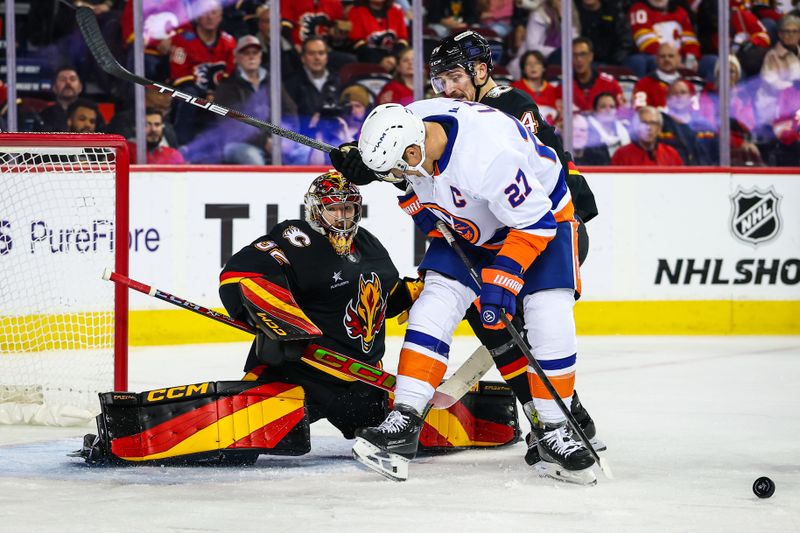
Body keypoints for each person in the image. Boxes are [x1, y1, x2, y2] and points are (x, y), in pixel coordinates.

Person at [333, 30, 603, 472]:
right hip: (476, 224)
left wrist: (503, 279)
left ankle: (558, 425)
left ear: (480, 71)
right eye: (439, 80)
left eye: (455, 75)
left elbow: (534, 222)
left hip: (543, 222)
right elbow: (414, 189)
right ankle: (405, 418)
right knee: (434, 305)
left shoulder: (491, 148)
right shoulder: (413, 123)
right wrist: (368, 164)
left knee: (547, 318)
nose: (447, 87)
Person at [214, 35, 300, 165]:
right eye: (246, 53)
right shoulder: (227, 86)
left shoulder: (272, 81)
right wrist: (265, 141)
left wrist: (288, 138)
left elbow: (290, 110)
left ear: (260, 55)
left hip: (275, 140)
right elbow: (233, 125)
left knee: (305, 154)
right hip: (238, 143)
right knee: (254, 160)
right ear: (236, 57)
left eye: (255, 52)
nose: (251, 57)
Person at [168, 0, 236, 147]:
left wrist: (216, 94)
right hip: (191, 93)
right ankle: (182, 146)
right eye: (205, 12)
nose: (210, 17)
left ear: (221, 15)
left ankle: (229, 146)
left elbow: (230, 75)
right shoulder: (182, 40)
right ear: (197, 15)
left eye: (214, 12)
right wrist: (205, 95)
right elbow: (179, 76)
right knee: (188, 95)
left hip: (219, 94)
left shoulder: (229, 43)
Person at [611, 105, 684, 165]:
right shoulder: (621, 155)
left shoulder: (671, 154)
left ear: (659, 128)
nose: (648, 128)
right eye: (644, 123)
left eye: (653, 123)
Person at [572, 37, 626, 112]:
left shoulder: (609, 83)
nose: (579, 59)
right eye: (574, 55)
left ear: (591, 56)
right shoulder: (564, 87)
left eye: (583, 54)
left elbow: (623, 112)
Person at [510, 50, 560, 126]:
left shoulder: (554, 90)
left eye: (537, 63)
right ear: (523, 69)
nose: (533, 66)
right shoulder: (515, 89)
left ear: (544, 67)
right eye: (528, 64)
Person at [632, 43, 684, 109]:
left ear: (679, 59)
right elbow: (640, 111)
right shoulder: (643, 84)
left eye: (671, 56)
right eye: (662, 56)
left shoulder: (687, 84)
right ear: (656, 59)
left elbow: (694, 112)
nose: (667, 59)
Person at [586, 92, 631, 158]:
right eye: (603, 106)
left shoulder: (625, 127)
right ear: (594, 110)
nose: (608, 110)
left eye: (612, 107)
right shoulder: (585, 130)